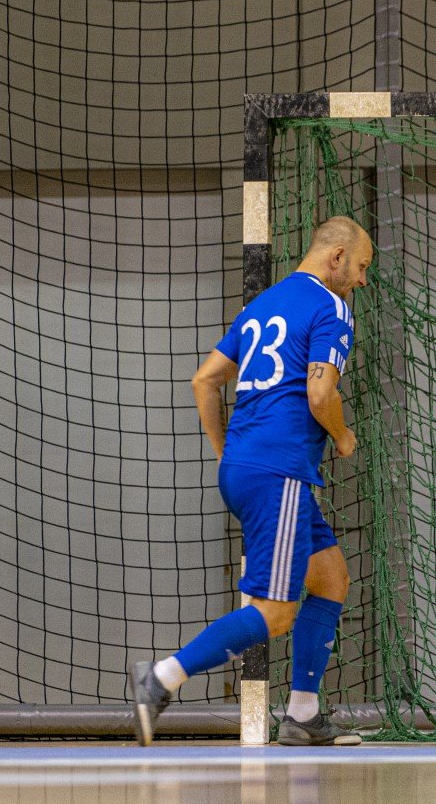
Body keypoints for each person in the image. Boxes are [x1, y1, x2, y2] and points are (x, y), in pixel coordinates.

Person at [128, 217, 372, 746]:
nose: (362, 280)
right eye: (360, 266)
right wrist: (344, 435)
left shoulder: (260, 305)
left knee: (330, 578)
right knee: (277, 612)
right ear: (335, 257)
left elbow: (204, 380)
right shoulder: (332, 308)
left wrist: (227, 453)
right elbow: (321, 395)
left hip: (245, 468)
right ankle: (163, 677)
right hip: (279, 470)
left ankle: (304, 715)